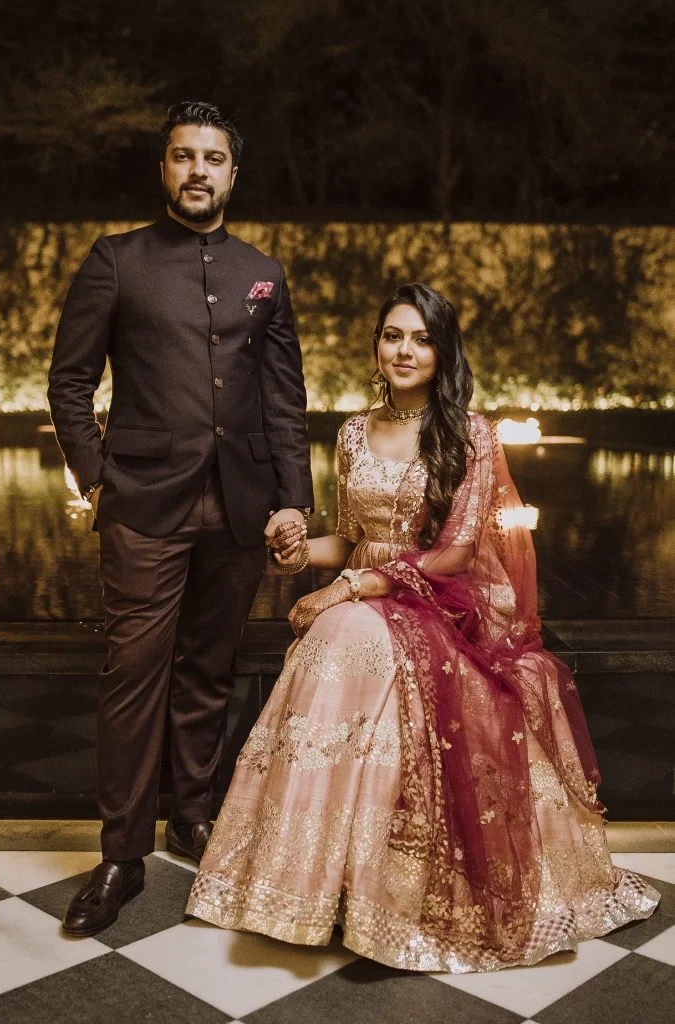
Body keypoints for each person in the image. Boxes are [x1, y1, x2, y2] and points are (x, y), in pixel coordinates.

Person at [187, 283, 659, 972]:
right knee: (331, 639)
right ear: (376, 346)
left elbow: (456, 553)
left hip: (434, 600)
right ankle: (306, 888)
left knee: (340, 638)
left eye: (419, 338)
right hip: (361, 597)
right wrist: (293, 551)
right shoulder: (351, 431)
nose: (403, 350)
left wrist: (350, 586)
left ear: (441, 352)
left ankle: (389, 891)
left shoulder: (469, 434)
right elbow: (347, 537)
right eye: (392, 335)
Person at [48, 101, 314, 937]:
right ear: (164, 169)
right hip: (144, 506)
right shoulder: (116, 261)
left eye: (212, 158)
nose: (197, 170)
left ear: (234, 173)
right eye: (181, 156)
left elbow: (283, 399)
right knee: (134, 673)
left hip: (241, 503)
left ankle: (192, 815)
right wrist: (100, 479)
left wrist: (295, 499)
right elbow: (68, 382)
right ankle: (122, 852)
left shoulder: (262, 271)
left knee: (209, 668)